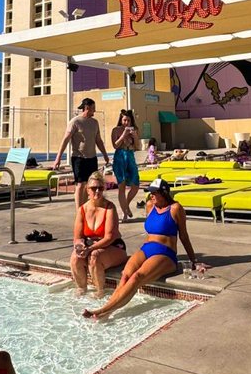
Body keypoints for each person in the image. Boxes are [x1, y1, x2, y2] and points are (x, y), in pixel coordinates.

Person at [83, 178, 197, 320]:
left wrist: (194, 261)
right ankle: (108, 311)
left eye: (154, 193)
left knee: (137, 277)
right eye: (150, 193)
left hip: (165, 253)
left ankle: (102, 310)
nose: (151, 196)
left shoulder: (176, 209)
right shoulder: (150, 206)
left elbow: (184, 237)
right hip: (147, 249)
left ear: (164, 193)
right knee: (125, 275)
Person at [70, 172, 128, 297]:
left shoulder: (109, 208)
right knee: (75, 257)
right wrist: (80, 246)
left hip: (113, 246)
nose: (97, 191)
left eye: (100, 188)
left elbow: (109, 237)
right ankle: (81, 288)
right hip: (91, 246)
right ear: (87, 189)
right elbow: (78, 237)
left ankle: (100, 291)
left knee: (94, 256)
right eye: (93, 188)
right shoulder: (82, 210)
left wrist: (90, 248)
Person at [52, 98, 111, 209]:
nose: (95, 111)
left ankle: (86, 207)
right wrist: (58, 158)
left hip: (92, 158)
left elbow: (98, 140)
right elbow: (65, 139)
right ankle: (79, 210)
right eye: (93, 108)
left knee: (90, 184)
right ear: (87, 108)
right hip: (79, 158)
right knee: (80, 184)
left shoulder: (95, 122)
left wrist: (105, 155)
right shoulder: (75, 122)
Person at [111, 110, 140, 221]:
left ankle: (126, 205)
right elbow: (115, 145)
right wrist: (123, 135)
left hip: (130, 156)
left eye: (128, 120)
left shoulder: (135, 130)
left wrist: (135, 136)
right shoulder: (116, 130)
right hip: (120, 157)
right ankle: (124, 213)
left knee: (135, 185)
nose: (126, 122)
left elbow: (137, 146)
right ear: (121, 120)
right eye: (124, 120)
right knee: (121, 186)